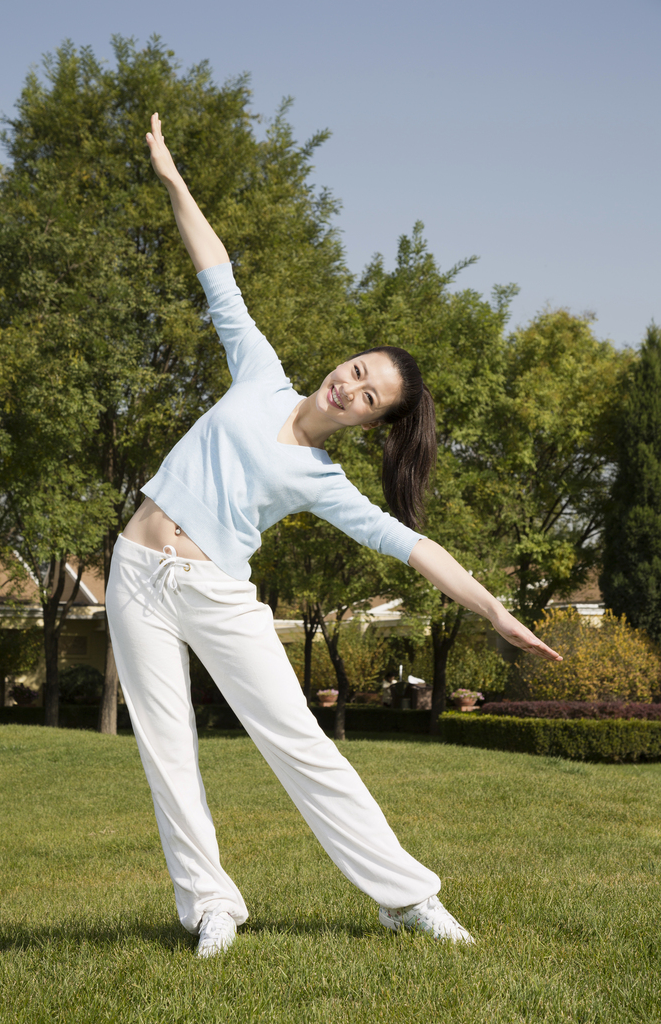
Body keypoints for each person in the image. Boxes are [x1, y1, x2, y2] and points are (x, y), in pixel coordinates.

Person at [106, 113, 562, 959]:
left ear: (373, 423)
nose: (350, 386)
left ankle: (406, 898)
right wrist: (172, 176)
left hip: (214, 594)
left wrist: (493, 610)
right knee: (166, 751)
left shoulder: (323, 480)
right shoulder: (258, 373)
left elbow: (414, 548)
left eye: (371, 395)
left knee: (300, 744)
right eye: (356, 369)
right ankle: (211, 907)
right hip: (134, 572)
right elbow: (218, 272)